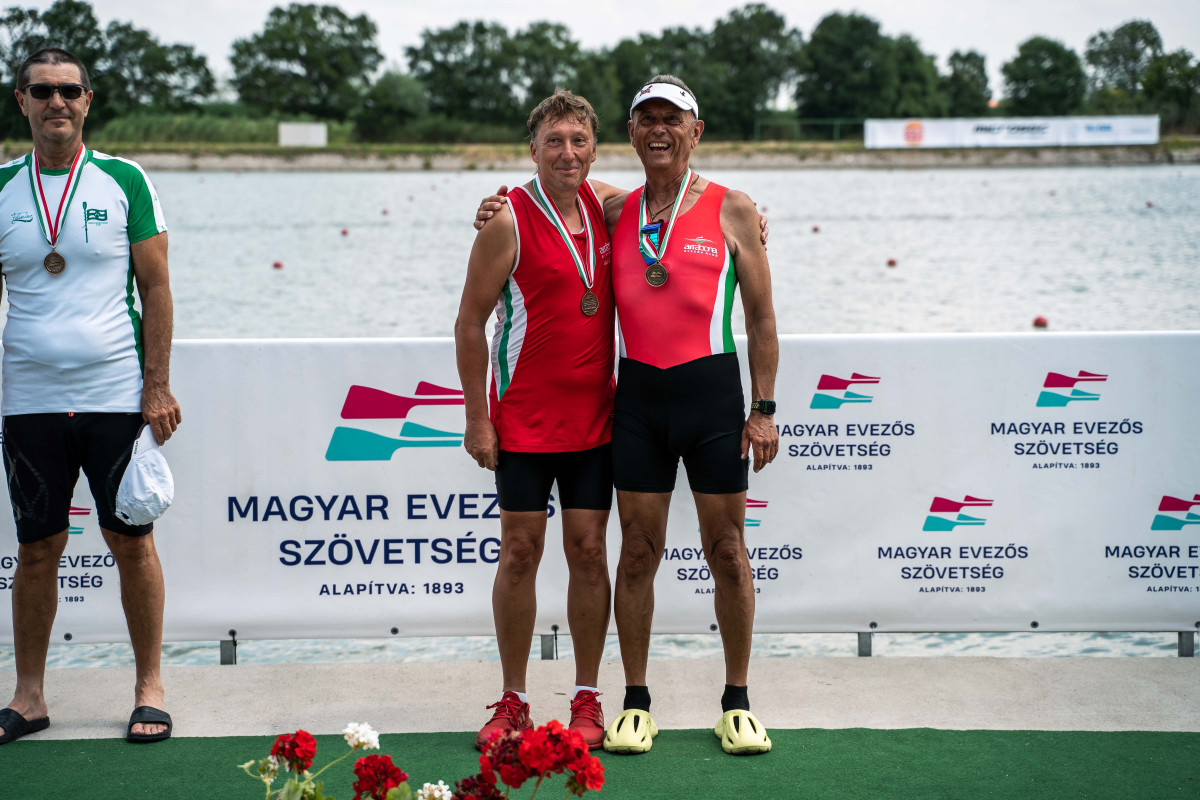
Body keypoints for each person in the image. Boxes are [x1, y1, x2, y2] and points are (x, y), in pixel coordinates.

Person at [472, 76, 775, 757]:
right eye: (648, 120)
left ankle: (737, 701)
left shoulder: (733, 209)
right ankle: (635, 701)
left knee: (728, 552)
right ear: (633, 134)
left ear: (696, 130)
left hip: (712, 399)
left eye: (673, 119)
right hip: (637, 402)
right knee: (636, 553)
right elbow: (556, 189)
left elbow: (761, 318)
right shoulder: (616, 209)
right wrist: (496, 202)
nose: (660, 130)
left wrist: (763, 409)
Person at [0, 48, 181, 745]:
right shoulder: (3, 188)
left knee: (131, 541)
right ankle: (29, 697)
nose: (57, 102)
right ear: (21, 101)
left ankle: (149, 688)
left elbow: (157, 288)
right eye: (42, 90)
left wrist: (156, 384)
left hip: (115, 393)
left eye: (69, 90)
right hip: (29, 399)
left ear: (87, 100)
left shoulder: (124, 180)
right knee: (36, 548)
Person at [454, 90, 616, 751]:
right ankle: (514, 698)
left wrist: (748, 217)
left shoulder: (611, 209)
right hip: (522, 420)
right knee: (520, 553)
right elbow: (469, 323)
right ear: (533, 150)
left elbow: (680, 203)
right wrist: (477, 419)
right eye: (554, 141)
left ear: (594, 149)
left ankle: (587, 696)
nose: (567, 152)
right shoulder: (506, 220)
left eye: (578, 140)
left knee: (589, 552)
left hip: (595, 423)